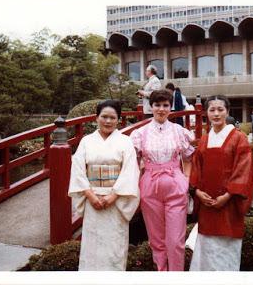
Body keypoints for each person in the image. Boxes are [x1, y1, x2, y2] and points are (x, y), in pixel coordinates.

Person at [68, 100, 140, 271]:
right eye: (104, 117)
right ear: (96, 118)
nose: (108, 121)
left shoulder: (125, 141)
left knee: (114, 246)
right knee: (92, 246)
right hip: (92, 198)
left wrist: (113, 196)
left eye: (112, 118)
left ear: (118, 120)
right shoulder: (86, 141)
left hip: (116, 200)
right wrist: (91, 196)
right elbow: (78, 169)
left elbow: (130, 171)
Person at [189, 95, 253, 271]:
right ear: (206, 113)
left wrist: (227, 196)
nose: (216, 114)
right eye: (212, 110)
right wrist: (196, 192)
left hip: (230, 203)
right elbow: (196, 168)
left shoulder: (238, 138)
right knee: (207, 246)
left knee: (226, 248)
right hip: (206, 203)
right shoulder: (204, 139)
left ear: (227, 111)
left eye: (220, 109)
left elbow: (244, 170)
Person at [130, 89, 195, 271]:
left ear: (170, 107)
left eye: (165, 105)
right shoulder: (139, 134)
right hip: (150, 185)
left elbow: (189, 157)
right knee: (156, 239)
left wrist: (186, 180)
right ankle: (161, 272)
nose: (161, 109)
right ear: (151, 107)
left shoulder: (179, 131)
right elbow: (132, 161)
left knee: (175, 240)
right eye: (157, 105)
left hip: (176, 183)